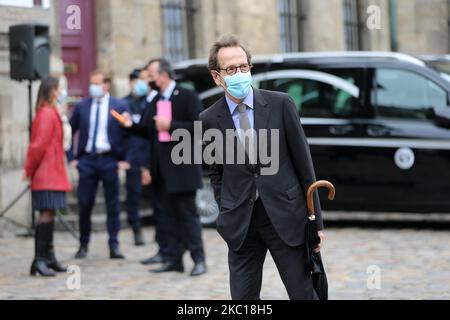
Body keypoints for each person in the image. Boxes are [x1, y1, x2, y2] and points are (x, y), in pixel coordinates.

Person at [199, 35, 325, 300]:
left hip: (285, 217)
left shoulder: (281, 104)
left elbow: (304, 165)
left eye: (244, 67)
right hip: (241, 225)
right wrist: (225, 211)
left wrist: (317, 223)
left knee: (303, 294)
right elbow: (216, 172)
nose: (239, 73)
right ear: (217, 77)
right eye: (231, 69)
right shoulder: (209, 119)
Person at [121, 58, 207, 277]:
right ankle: (173, 259)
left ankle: (199, 260)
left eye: (152, 75)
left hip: (182, 169)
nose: (150, 79)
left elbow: (199, 128)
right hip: (162, 171)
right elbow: (148, 130)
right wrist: (130, 125)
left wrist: (171, 126)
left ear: (165, 74)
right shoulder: (156, 99)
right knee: (167, 218)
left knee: (188, 217)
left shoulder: (187, 96)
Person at [68, 69, 131, 260]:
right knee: (85, 203)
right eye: (91, 83)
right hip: (87, 160)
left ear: (106, 85)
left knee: (113, 205)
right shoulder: (82, 106)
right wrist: (71, 157)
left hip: (109, 159)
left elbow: (129, 134)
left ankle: (114, 244)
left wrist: (125, 159)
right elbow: (68, 131)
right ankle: (83, 244)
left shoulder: (119, 105)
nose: (93, 87)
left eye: (97, 83)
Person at [23, 77, 72, 277]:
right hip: (46, 172)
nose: (62, 92)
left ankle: (49, 257)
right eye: (59, 89)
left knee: (50, 213)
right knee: (45, 214)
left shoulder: (52, 112)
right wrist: (28, 170)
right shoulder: (45, 114)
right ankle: (39, 259)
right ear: (52, 91)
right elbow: (37, 146)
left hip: (53, 170)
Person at [121, 68, 151, 246]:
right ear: (131, 82)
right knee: (133, 194)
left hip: (149, 155)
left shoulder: (149, 102)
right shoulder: (123, 104)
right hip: (132, 156)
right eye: (139, 80)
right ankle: (136, 229)